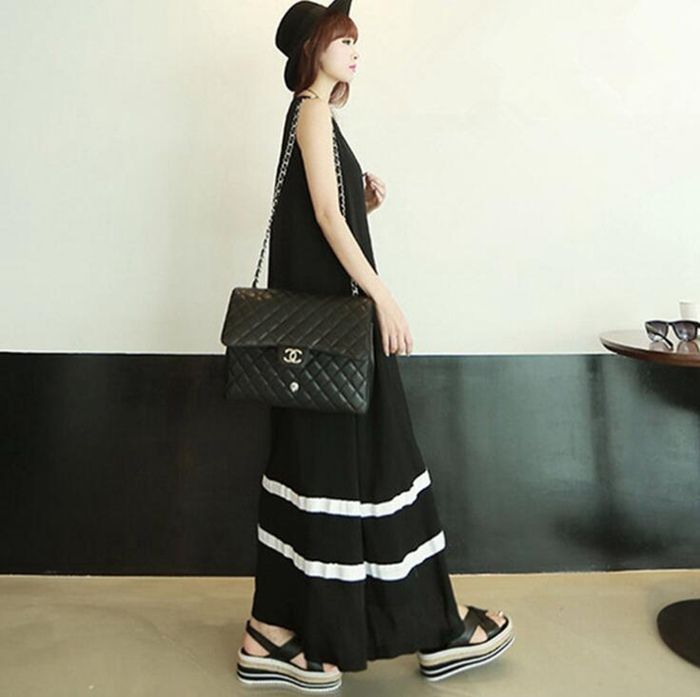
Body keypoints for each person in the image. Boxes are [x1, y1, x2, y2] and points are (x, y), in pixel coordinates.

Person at [236, 1, 514, 690]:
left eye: (356, 39)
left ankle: (271, 631)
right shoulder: (312, 111)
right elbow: (325, 218)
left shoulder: (314, 116)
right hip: (339, 335)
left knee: (321, 469)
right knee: (375, 463)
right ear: (312, 48)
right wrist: (384, 296)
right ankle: (433, 628)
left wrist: (365, 203)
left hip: (325, 339)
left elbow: (324, 212)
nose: (356, 50)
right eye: (343, 39)